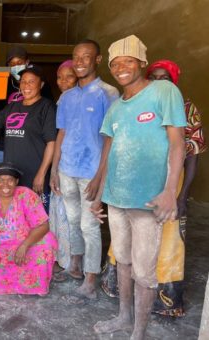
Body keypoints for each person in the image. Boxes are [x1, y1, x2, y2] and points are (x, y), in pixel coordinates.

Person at [91, 35, 186, 340]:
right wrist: (99, 195)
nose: (121, 68)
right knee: (123, 261)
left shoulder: (163, 91)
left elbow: (177, 143)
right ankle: (123, 317)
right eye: (115, 64)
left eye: (128, 62)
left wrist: (171, 190)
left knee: (144, 272)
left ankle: (139, 331)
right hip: (116, 199)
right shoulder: (117, 107)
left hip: (148, 202)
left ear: (142, 63)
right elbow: (109, 152)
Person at [50, 40, 119, 299]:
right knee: (73, 220)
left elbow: (111, 141)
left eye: (86, 57)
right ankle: (75, 267)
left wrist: (100, 177)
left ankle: (91, 277)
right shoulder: (66, 97)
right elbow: (62, 134)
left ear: (97, 60)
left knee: (90, 225)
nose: (79, 62)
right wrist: (54, 170)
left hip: (91, 171)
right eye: (76, 57)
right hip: (67, 168)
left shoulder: (108, 93)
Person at [0, 64, 57, 208]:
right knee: (15, 215)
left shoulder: (47, 107)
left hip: (34, 174)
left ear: (41, 85)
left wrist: (41, 174)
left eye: (31, 81)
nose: (26, 85)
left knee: (37, 217)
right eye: (23, 81)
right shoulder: (13, 106)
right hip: (13, 176)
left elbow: (51, 143)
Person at [0, 162, 58, 295]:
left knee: (47, 243)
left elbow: (43, 226)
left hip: (27, 242)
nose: (5, 185)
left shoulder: (27, 196)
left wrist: (24, 246)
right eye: (1, 181)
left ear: (16, 181)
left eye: (10, 180)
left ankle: (34, 286)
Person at [145, 60, 206, 221]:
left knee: (170, 235)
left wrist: (182, 196)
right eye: (153, 78)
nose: (158, 83)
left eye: (164, 78)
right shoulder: (140, 106)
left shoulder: (186, 108)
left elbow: (193, 156)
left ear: (173, 81)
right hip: (142, 180)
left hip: (173, 181)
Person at [49, 59, 77, 275]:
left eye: (69, 76)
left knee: (74, 217)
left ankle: (73, 263)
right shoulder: (62, 100)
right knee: (60, 213)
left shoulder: (84, 97)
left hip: (79, 167)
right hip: (63, 163)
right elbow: (60, 136)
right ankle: (61, 257)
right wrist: (54, 168)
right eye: (60, 77)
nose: (63, 81)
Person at [0, 46, 29, 165]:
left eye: (19, 62)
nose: (16, 66)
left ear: (27, 62)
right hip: (6, 142)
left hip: (29, 142)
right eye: (12, 64)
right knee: (2, 179)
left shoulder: (38, 83)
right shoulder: (4, 83)